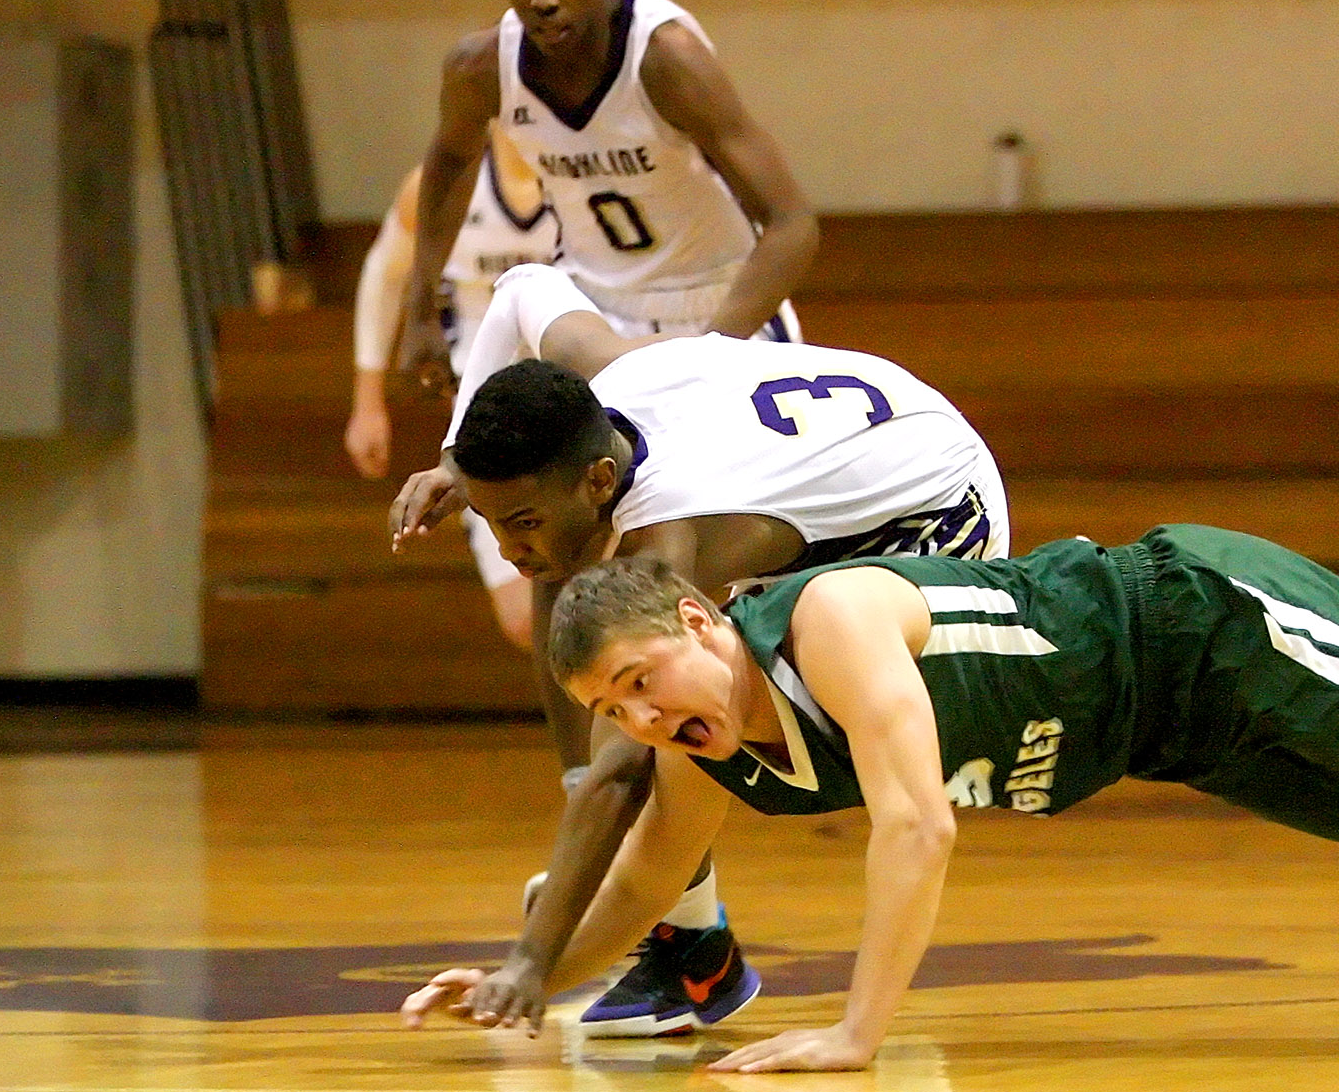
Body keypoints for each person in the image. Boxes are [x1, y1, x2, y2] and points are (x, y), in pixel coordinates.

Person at [402, 525, 1339, 1071]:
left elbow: (917, 825)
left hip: (1198, 621)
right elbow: (646, 891)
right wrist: (524, 973)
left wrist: (858, 1034)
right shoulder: (705, 758)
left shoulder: (829, 621)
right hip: (1176, 735)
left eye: (642, 679)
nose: (643, 718)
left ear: (698, 620)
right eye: (615, 710)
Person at [390, 263, 1008, 1035]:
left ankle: (695, 947)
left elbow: (621, 775)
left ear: (600, 480)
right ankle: (686, 929)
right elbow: (520, 288)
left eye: (519, 519)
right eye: (493, 523)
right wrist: (456, 458)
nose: (508, 548)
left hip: (943, 520)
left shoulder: (676, 535)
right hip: (874, 449)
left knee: (682, 710)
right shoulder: (611, 374)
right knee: (610, 638)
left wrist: (531, 956)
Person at [401, 0, 816, 381]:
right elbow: (449, 165)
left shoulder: (667, 59)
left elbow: (792, 225)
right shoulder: (479, 68)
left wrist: (711, 356)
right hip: (591, 306)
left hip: (719, 303)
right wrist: (420, 310)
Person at [346, 123, 557, 648]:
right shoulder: (434, 188)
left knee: (592, 598)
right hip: (485, 419)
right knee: (525, 621)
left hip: (580, 407)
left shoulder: (582, 181)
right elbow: (384, 274)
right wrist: (367, 403)